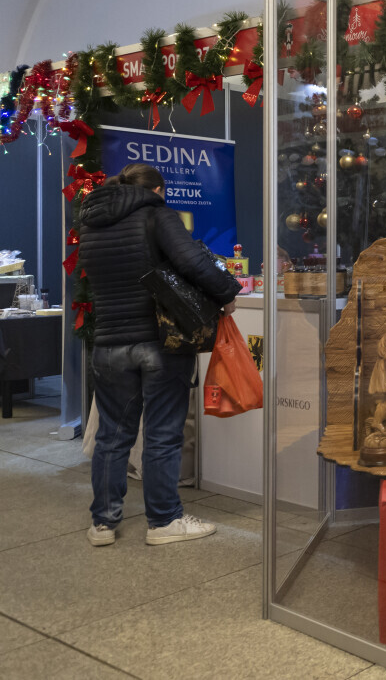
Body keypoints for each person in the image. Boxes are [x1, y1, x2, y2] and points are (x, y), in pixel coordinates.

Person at [77, 163, 242, 546]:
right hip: (160, 342)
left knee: (112, 436)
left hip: (109, 343)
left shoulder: (92, 224)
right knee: (162, 434)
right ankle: (164, 521)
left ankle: (102, 523)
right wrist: (228, 294)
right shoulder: (157, 214)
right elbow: (193, 261)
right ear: (157, 190)